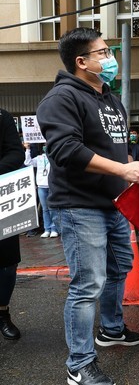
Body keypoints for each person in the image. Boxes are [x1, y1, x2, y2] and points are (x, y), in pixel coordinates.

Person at [36, 27, 139, 385]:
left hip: (114, 203)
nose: (109, 58)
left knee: (118, 269)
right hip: (79, 206)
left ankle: (113, 329)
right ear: (81, 61)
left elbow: (120, 147)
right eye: (102, 53)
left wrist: (133, 170)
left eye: (108, 51)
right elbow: (66, 151)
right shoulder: (60, 99)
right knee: (87, 285)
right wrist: (122, 169)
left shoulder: (109, 98)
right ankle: (79, 364)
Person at [0, 108, 25, 341]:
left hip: (2, 200)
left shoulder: (2, 117)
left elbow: (16, 153)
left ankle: (2, 312)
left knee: (8, 264)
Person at [24, 142, 59, 238]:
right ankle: (47, 229)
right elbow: (27, 162)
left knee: (52, 208)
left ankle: (54, 229)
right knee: (45, 209)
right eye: (44, 145)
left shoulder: (53, 157)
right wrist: (27, 149)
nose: (45, 147)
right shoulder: (39, 158)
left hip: (51, 186)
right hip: (41, 186)